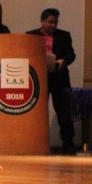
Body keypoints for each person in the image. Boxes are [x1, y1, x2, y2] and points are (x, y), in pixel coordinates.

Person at [26, 8, 77, 154]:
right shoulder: (31, 35)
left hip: (59, 76)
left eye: (55, 22)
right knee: (36, 111)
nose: (53, 25)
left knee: (64, 110)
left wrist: (63, 61)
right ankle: (33, 142)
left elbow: (71, 54)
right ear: (42, 21)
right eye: (50, 22)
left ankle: (68, 143)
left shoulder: (64, 35)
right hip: (38, 78)